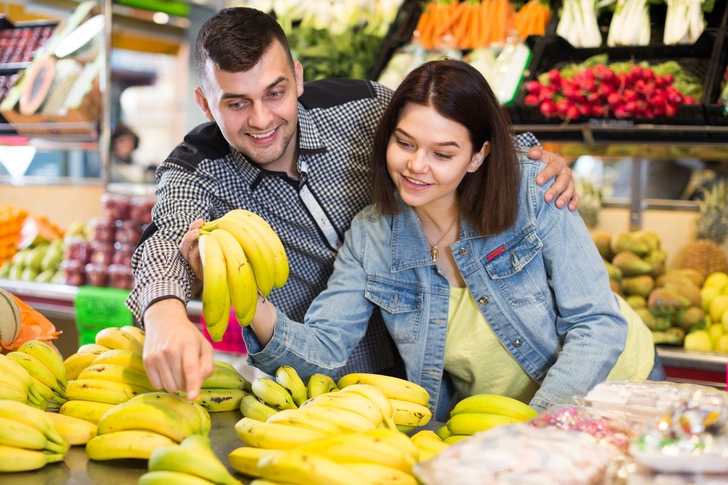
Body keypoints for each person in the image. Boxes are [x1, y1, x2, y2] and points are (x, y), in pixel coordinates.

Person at [128, 7, 579, 400]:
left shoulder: (364, 106)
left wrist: (531, 160)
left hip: (441, 370)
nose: (262, 118)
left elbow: (449, 133)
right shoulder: (196, 169)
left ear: (299, 77)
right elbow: (166, 239)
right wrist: (166, 314)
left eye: (275, 92)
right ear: (206, 104)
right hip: (326, 380)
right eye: (237, 103)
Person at [235, 59, 663, 421]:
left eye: (443, 154)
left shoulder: (536, 192)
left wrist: (537, 428)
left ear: (478, 155)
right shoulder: (372, 236)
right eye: (404, 143)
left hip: (618, 390)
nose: (416, 166)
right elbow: (325, 348)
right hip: (499, 421)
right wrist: (250, 302)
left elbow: (597, 325)